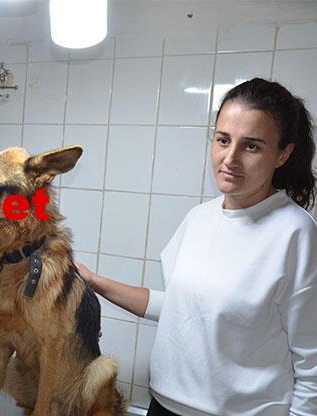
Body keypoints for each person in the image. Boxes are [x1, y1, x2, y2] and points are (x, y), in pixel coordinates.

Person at [76, 78, 316, 415]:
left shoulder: (296, 234)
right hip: (163, 405)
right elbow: (182, 308)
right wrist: (93, 281)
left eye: (251, 146)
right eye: (223, 140)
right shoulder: (199, 218)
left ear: (283, 154)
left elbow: (312, 362)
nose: (230, 158)